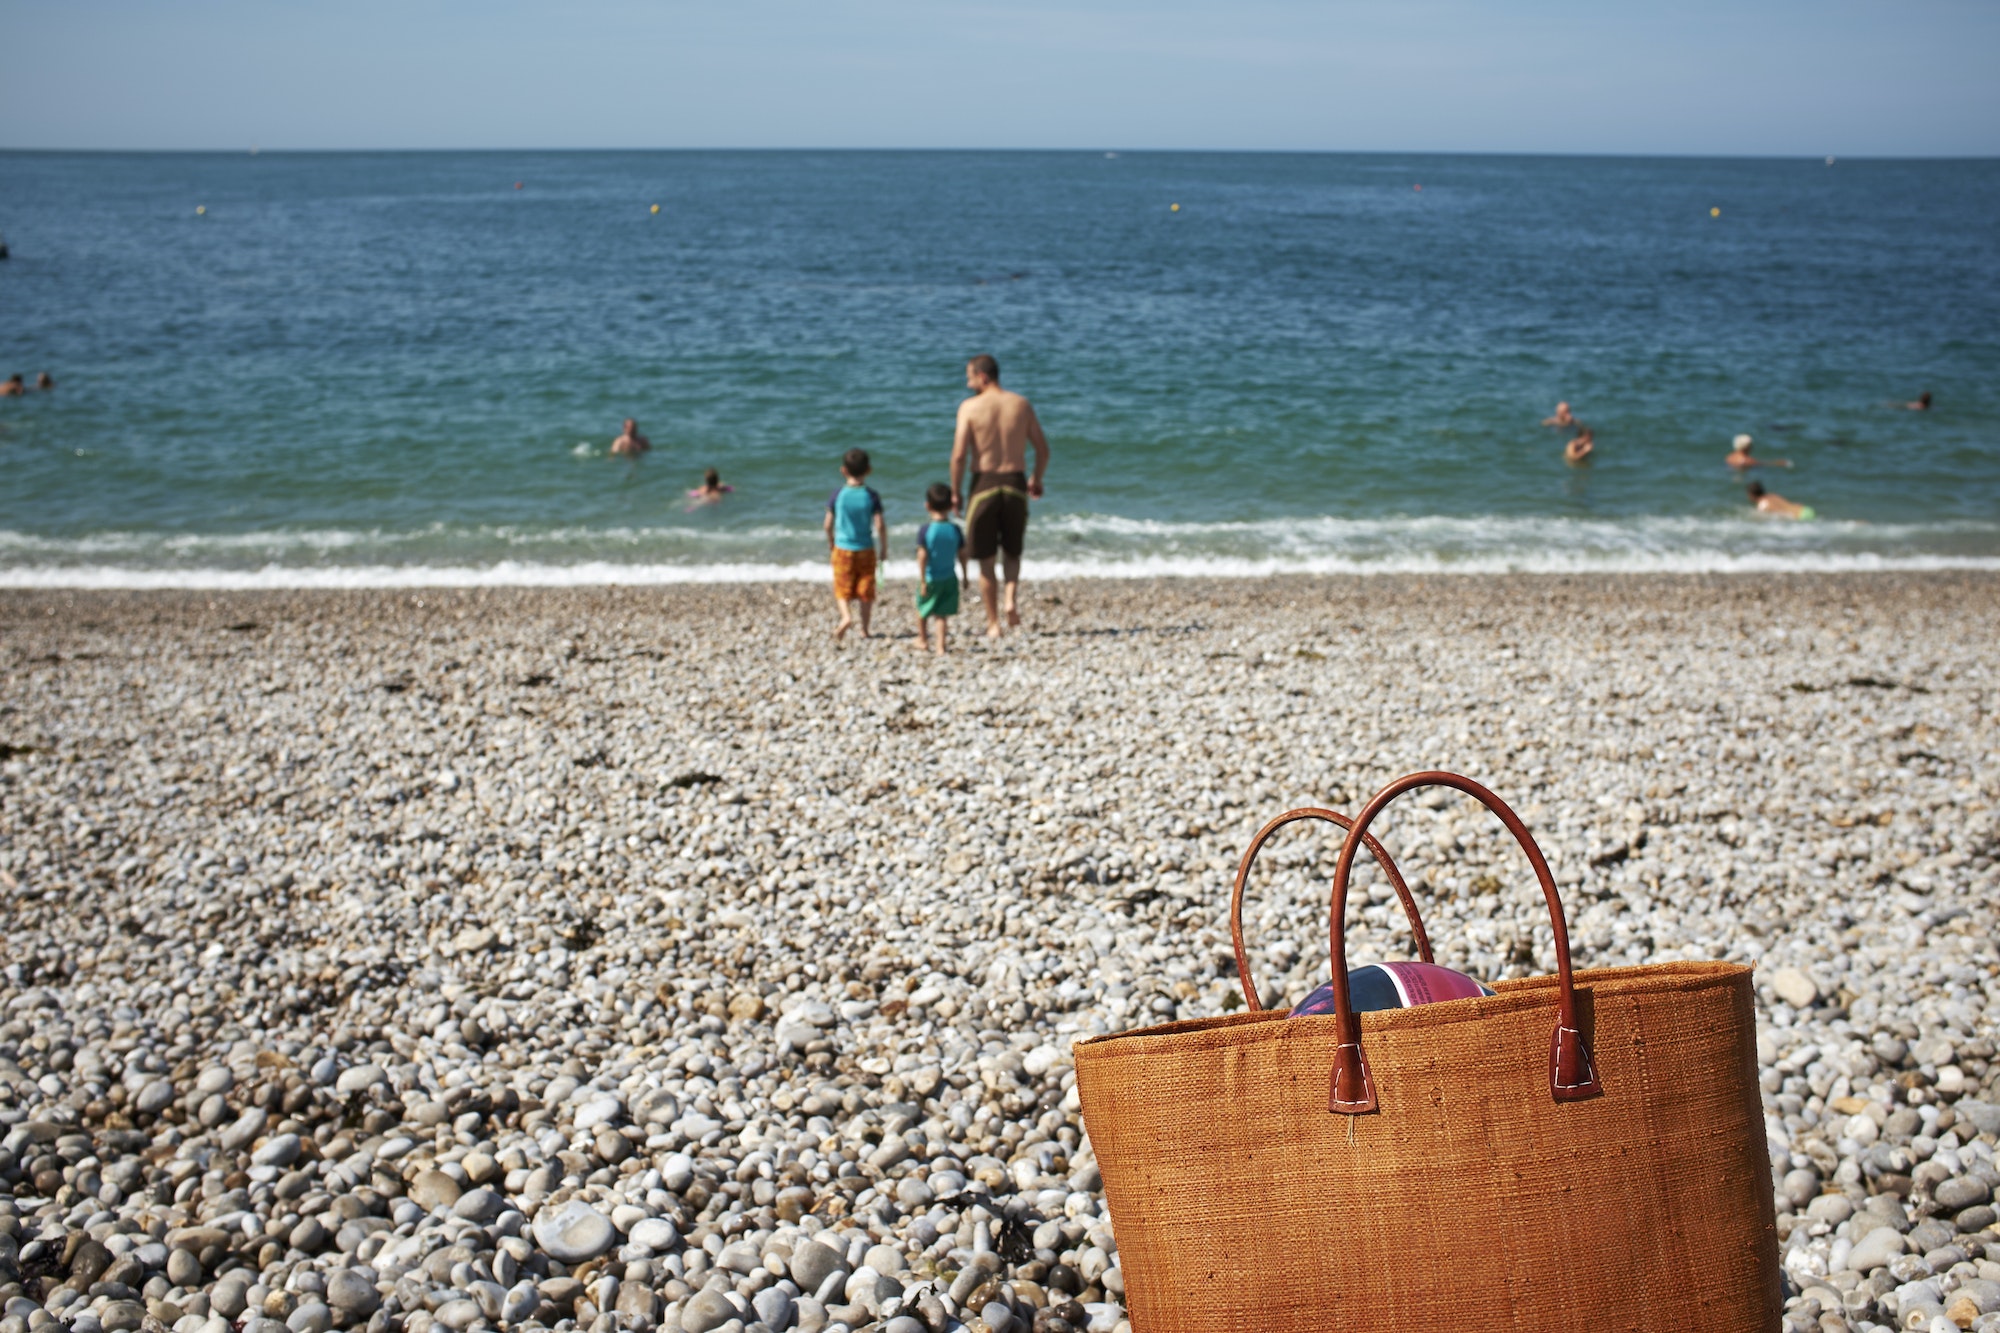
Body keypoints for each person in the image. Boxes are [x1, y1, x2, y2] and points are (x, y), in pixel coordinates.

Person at [950, 355, 1049, 637]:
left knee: (985, 558)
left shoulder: (969, 407)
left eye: (969, 376)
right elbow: (1043, 450)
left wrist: (956, 492)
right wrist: (1036, 479)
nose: (967, 382)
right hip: (1015, 483)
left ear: (982, 376)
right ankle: (1010, 599)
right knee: (1012, 549)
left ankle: (993, 623)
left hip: (984, 483)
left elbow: (959, 455)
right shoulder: (1021, 404)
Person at [824, 448, 888, 640]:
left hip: (843, 548)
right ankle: (865, 630)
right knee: (866, 589)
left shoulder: (838, 495)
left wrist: (831, 542)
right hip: (866, 548)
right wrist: (884, 548)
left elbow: (827, 524)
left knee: (842, 587)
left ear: (843, 470)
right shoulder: (871, 495)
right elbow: (880, 525)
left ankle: (846, 616)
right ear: (868, 470)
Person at [912, 483, 967, 654]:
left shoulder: (926, 530)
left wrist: (922, 580)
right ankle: (940, 646)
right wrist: (965, 575)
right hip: (950, 576)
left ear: (927, 505)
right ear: (951, 506)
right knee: (941, 614)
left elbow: (922, 557)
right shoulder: (955, 529)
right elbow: (963, 555)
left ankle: (923, 640)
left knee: (922, 609)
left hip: (931, 577)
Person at [1747, 481, 1813, 520]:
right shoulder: (1772, 495)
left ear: (1752, 495)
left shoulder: (1762, 504)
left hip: (1800, 516)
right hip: (1805, 509)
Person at [1725, 434, 1789, 469]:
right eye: (1750, 445)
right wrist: (1779, 463)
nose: (1752, 447)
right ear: (1746, 447)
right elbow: (1763, 464)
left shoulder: (1730, 457)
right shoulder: (1747, 460)